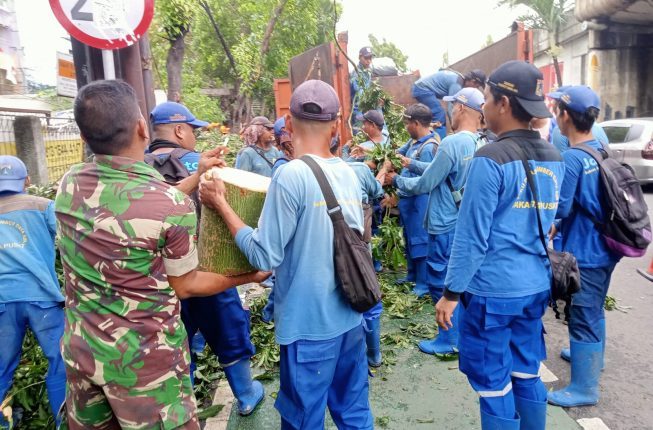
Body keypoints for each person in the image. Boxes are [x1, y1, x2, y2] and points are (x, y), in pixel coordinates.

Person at [55, 80, 268, 429]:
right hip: (144, 368)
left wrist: (197, 175)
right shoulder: (172, 206)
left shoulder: (70, 184)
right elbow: (187, 284)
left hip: (83, 356)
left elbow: (139, 203)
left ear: (84, 135)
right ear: (142, 127)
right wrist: (250, 276)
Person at [200, 79, 374, 429]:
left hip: (307, 328)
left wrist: (221, 204)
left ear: (289, 124)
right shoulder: (349, 172)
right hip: (351, 319)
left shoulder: (290, 175)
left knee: (303, 420)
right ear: (336, 125)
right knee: (354, 413)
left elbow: (264, 257)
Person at [435, 61, 565, 430]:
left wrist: (450, 294)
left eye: (488, 99)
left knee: (493, 382)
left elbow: (471, 237)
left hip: (493, 292)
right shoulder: (554, 156)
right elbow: (551, 222)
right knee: (526, 370)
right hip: (535, 285)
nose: (485, 108)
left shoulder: (489, 159)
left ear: (504, 104)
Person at [147, 101, 265, 416]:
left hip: (161, 279)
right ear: (179, 130)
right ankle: (246, 395)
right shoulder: (201, 164)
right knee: (230, 329)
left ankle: (185, 406)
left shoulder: (139, 170)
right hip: (209, 270)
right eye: (193, 130)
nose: (195, 137)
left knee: (176, 341)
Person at [386, 88, 485, 355]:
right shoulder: (480, 142)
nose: (450, 110)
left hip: (444, 223)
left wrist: (396, 180)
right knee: (461, 279)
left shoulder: (452, 143)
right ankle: (461, 334)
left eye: (453, 106)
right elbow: (440, 170)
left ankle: (448, 339)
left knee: (440, 281)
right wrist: (411, 164)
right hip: (463, 221)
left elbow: (426, 183)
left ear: (461, 108)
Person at [546, 86, 621, 408]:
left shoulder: (573, 158)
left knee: (582, 314)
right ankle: (593, 358)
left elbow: (561, 208)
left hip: (586, 250)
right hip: (607, 246)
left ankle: (584, 388)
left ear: (565, 116)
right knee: (595, 306)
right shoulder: (601, 149)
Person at [0, 156, 66, 426]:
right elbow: (66, 242)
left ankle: (3, 422)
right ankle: (63, 420)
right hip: (43, 298)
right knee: (59, 361)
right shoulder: (43, 205)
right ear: (27, 180)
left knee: (2, 365)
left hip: (3, 301)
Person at [384, 104, 439, 296]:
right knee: (409, 238)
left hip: (420, 201)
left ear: (416, 123)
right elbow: (397, 153)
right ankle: (412, 274)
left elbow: (430, 175)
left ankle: (423, 283)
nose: (406, 127)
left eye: (407, 123)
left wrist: (399, 176)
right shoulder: (413, 142)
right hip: (408, 199)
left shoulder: (429, 146)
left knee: (420, 240)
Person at [411, 69, 486, 139]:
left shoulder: (459, 80)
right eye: (477, 86)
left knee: (433, 115)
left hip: (422, 87)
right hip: (422, 89)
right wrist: (455, 128)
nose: (476, 89)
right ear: (473, 81)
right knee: (439, 115)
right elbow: (451, 109)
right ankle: (438, 143)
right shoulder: (456, 84)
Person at [548, 86, 609, 153]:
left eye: (557, 103)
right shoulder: (599, 130)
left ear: (565, 115)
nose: (552, 103)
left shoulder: (558, 131)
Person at [350, 46, 375, 133]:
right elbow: (359, 95)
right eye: (366, 58)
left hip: (366, 109)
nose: (369, 61)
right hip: (358, 110)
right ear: (360, 57)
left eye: (370, 58)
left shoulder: (368, 72)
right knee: (359, 134)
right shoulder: (356, 74)